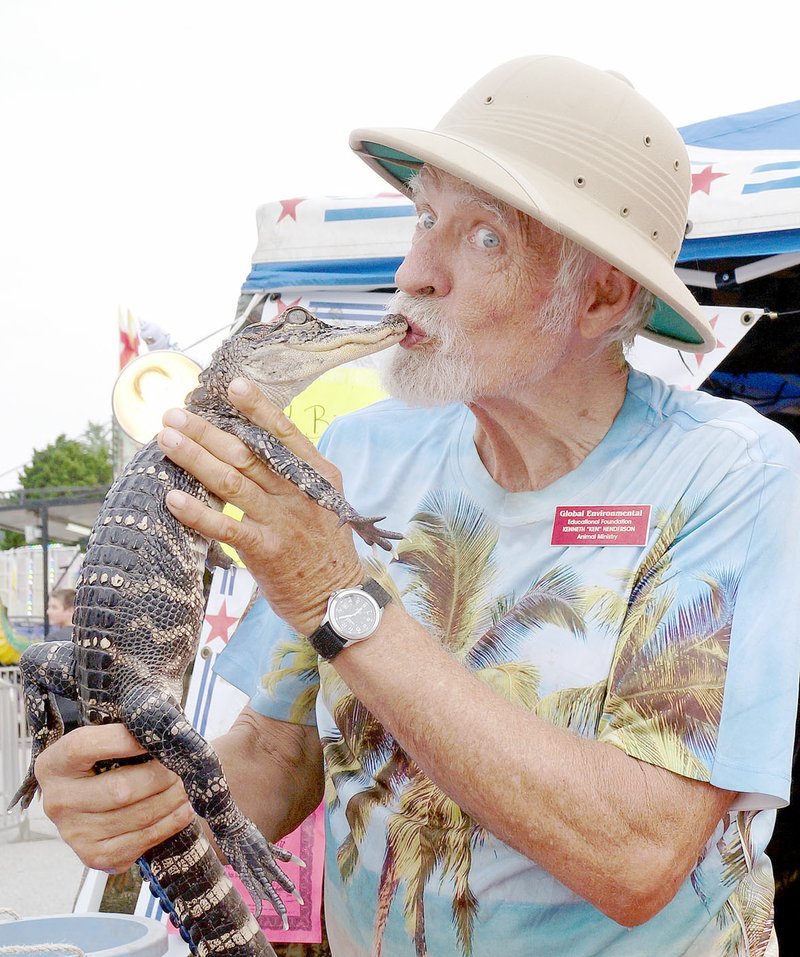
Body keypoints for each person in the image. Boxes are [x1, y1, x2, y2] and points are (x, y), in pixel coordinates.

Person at [35, 56, 799, 957]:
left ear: (602, 293)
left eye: (483, 237)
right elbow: (280, 758)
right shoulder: (360, 452)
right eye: (424, 216)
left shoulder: (729, 469)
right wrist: (133, 807)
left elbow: (635, 857)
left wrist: (339, 594)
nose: (413, 270)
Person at [45, 587, 81, 733]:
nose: (48, 611)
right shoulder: (88, 637)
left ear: (70, 610)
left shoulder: (53, 640)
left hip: (62, 713)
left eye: (54, 607)